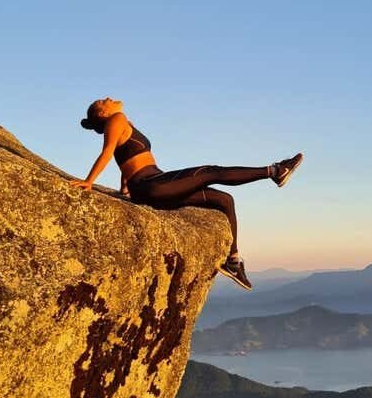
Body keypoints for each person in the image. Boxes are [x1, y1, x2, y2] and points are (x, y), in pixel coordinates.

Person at [69, 97, 303, 291]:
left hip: (153, 184)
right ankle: (274, 171)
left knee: (224, 200)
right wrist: (89, 182)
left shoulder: (121, 122)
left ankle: (233, 262)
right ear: (102, 113)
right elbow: (108, 152)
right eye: (103, 101)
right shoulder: (116, 119)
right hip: (152, 184)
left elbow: (125, 158)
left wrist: (125, 187)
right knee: (211, 172)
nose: (108, 98)